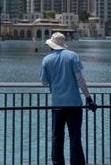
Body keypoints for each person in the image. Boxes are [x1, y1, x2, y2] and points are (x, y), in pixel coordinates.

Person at [40, 32, 97, 165]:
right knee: (75, 137)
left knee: (57, 137)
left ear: (51, 46)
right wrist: (89, 98)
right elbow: (80, 79)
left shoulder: (46, 60)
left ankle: (57, 163)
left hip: (57, 104)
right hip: (74, 105)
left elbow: (44, 83)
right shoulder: (72, 56)